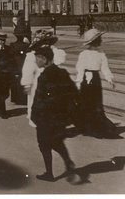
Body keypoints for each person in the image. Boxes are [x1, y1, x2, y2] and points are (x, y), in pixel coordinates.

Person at [31, 46, 77, 182]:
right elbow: (73, 92)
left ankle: (49, 173)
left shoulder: (44, 76)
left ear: (44, 59)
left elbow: (39, 100)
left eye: (37, 58)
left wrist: (34, 116)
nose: (35, 61)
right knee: (56, 140)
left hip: (45, 117)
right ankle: (68, 162)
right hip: (60, 116)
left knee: (43, 144)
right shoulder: (62, 72)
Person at [75, 28, 120, 139]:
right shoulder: (84, 54)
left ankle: (97, 127)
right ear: (94, 41)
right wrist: (78, 82)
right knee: (87, 102)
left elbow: (104, 67)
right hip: (86, 79)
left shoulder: (101, 54)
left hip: (95, 79)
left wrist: (109, 79)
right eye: (99, 39)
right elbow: (80, 69)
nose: (101, 40)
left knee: (96, 103)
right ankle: (88, 127)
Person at [21, 30, 66, 127]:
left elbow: (59, 59)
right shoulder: (32, 55)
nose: (46, 45)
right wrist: (27, 84)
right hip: (37, 83)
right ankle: (36, 121)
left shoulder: (53, 53)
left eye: (48, 43)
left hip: (50, 81)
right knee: (36, 101)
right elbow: (27, 71)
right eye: (43, 43)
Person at [8, 34, 30, 105]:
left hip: (15, 65)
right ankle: (22, 99)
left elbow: (10, 55)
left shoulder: (12, 45)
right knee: (22, 82)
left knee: (15, 82)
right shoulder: (26, 45)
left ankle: (15, 98)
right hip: (23, 64)